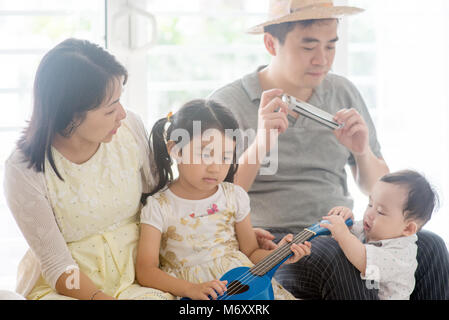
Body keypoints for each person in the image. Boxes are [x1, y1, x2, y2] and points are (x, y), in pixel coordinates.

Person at [209, 0, 449, 299]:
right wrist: (261, 143)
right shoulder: (226, 105)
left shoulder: (342, 91)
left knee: (430, 247)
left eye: (331, 46)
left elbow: (381, 190)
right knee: (337, 257)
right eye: (309, 47)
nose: (322, 60)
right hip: (283, 243)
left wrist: (361, 151)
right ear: (271, 44)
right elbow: (216, 200)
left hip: (346, 228)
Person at [3, 38, 174, 300]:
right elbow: (57, 264)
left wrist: (222, 224)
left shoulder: (129, 130)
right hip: (70, 286)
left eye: (120, 100)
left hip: (140, 273)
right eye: (109, 110)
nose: (122, 115)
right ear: (69, 115)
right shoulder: (24, 169)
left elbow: (160, 199)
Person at [135, 99, 311, 300]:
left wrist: (281, 255)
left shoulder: (233, 196)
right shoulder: (159, 206)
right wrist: (189, 289)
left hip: (244, 289)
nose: (215, 168)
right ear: (175, 150)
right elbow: (146, 270)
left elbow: (251, 252)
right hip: (193, 291)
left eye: (225, 157)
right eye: (205, 155)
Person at [322, 170, 439, 300]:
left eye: (380, 212)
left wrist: (343, 234)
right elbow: (346, 235)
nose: (369, 214)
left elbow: (363, 258)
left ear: (407, 228)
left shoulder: (400, 256)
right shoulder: (370, 228)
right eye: (370, 204)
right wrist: (345, 222)